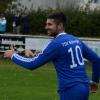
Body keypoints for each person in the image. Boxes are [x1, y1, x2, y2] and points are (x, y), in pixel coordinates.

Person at [4, 12, 100, 100]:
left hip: (70, 89)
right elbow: (96, 59)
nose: (46, 27)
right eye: (46, 24)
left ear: (60, 25)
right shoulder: (75, 39)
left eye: (50, 24)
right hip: (84, 88)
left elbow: (32, 64)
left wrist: (13, 55)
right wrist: (95, 82)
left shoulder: (56, 43)